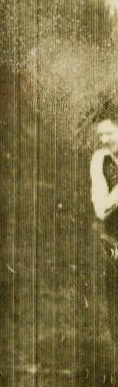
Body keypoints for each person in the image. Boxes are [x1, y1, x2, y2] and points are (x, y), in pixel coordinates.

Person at [90, 117, 118, 355]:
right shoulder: (100, 160)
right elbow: (100, 208)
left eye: (109, 133)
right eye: (100, 135)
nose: (104, 140)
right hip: (114, 242)